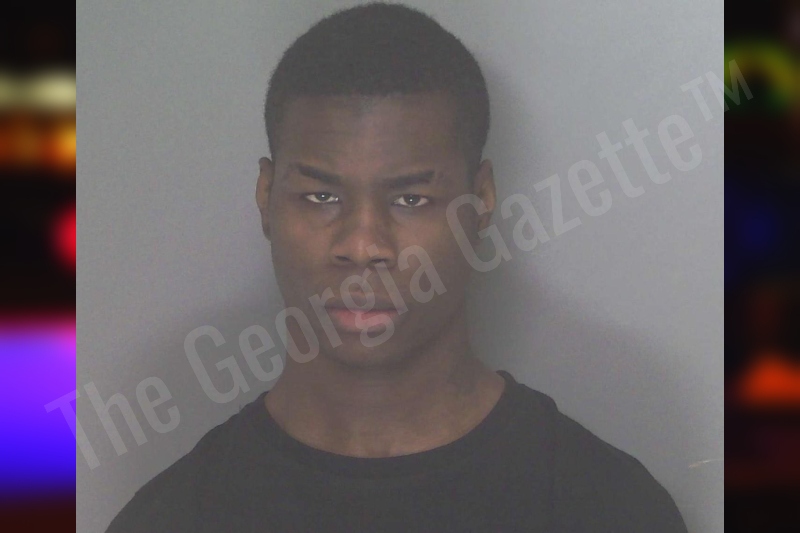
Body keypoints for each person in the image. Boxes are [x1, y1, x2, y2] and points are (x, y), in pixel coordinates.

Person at [107, 3, 687, 532]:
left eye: (411, 199)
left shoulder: (613, 509)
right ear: (266, 195)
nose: (363, 246)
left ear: (482, 200)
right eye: (320, 196)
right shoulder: (169, 518)